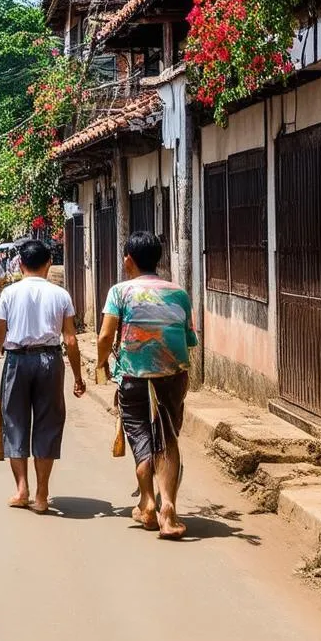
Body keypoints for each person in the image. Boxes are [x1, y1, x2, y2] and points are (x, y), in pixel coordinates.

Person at [96, 231, 196, 540]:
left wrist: (101, 364)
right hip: (173, 376)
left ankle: (148, 503)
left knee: (141, 440)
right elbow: (189, 340)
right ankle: (169, 509)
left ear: (128, 260)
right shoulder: (178, 293)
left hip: (134, 378)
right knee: (167, 439)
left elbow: (104, 337)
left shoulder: (120, 292)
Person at [0, 239, 85, 513]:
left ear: (21, 264)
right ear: (49, 264)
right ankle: (41, 495)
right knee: (47, 424)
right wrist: (77, 376)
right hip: (50, 361)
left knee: (14, 422)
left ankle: (21, 489)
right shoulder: (61, 295)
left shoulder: (9, 294)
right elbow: (71, 340)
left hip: (17, 360)